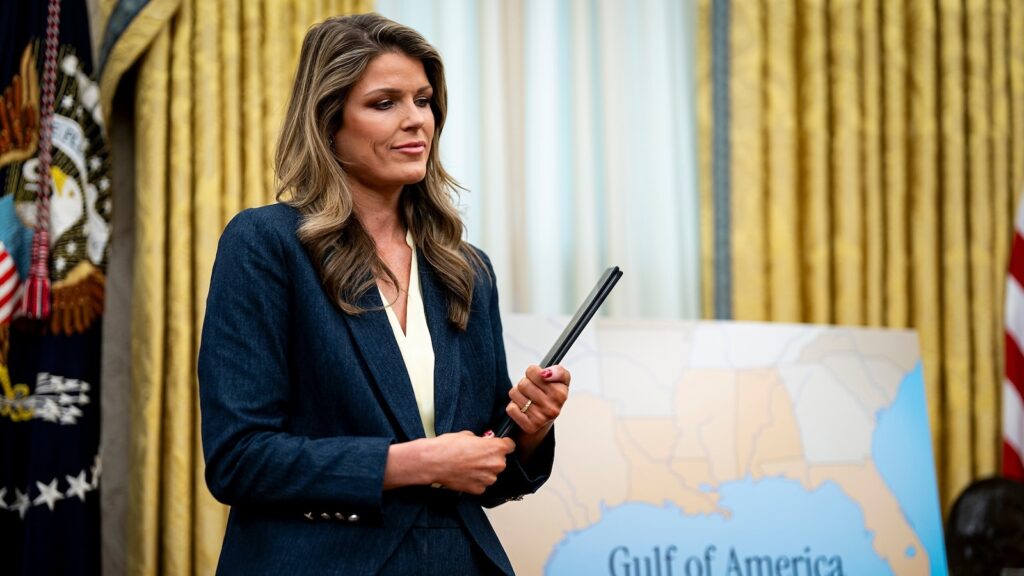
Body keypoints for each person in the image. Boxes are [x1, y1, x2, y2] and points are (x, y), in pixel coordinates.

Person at [197, 13, 571, 576]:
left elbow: (487, 475)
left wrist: (530, 428)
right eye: (384, 103)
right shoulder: (266, 244)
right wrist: (417, 463)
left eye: (423, 100)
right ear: (328, 122)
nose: (415, 119)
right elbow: (239, 458)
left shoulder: (466, 269)